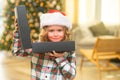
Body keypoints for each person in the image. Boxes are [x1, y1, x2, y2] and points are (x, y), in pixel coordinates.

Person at [12, 10, 76, 80]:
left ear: (65, 32)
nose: (55, 34)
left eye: (59, 30)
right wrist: (18, 31)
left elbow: (71, 75)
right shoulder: (37, 46)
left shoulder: (69, 50)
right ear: (45, 32)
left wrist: (60, 58)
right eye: (51, 31)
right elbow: (18, 52)